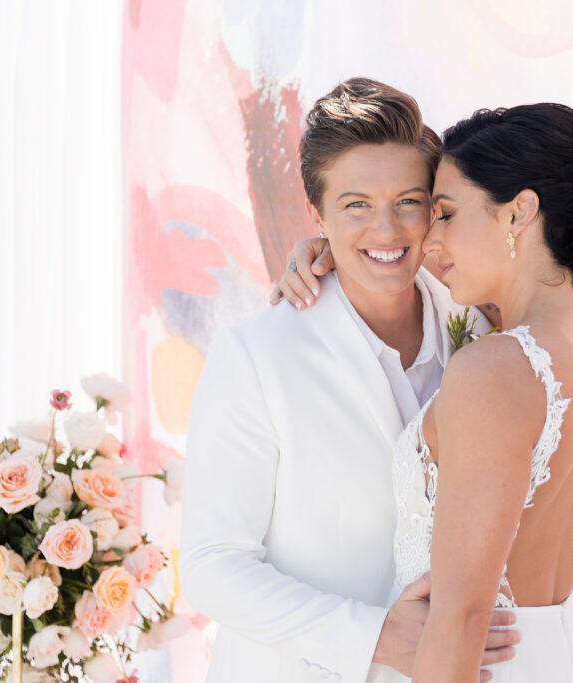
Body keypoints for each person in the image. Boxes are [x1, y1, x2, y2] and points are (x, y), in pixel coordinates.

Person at [277, 103, 573, 681]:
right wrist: (329, 250)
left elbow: (464, 615)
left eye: (444, 214)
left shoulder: (494, 369)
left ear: (519, 212)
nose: (429, 240)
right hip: (560, 657)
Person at [179, 78, 518, 683]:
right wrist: (372, 636)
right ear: (318, 216)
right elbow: (212, 565)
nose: (386, 231)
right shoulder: (257, 357)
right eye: (356, 205)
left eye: (408, 202)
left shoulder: (482, 327)